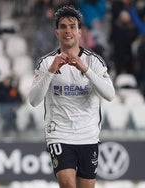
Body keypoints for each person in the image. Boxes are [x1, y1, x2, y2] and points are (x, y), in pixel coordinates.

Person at [28, 6, 115, 188]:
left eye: (72, 26)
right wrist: (51, 71)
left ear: (79, 32)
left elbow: (110, 95)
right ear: (57, 32)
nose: (68, 31)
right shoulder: (46, 63)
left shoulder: (93, 61)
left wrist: (85, 69)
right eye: (63, 27)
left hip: (88, 136)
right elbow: (34, 100)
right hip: (59, 134)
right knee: (67, 185)